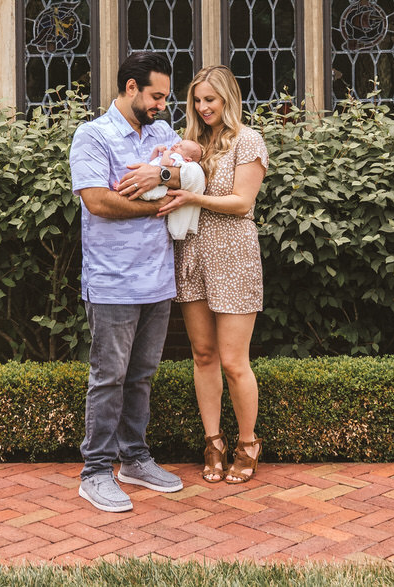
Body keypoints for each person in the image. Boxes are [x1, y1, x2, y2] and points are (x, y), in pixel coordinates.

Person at [67, 51, 186, 513]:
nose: (162, 105)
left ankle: (134, 459)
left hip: (158, 279)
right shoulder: (93, 136)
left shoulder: (160, 134)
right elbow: (98, 201)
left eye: (166, 97)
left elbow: (190, 174)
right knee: (109, 378)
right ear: (131, 87)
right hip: (113, 281)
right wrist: (158, 202)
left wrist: (158, 173)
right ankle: (95, 471)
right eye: (156, 95)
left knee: (141, 376)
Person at [157, 65, 270, 485]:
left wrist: (192, 196)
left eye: (211, 100)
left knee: (234, 361)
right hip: (193, 253)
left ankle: (247, 442)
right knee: (202, 355)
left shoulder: (249, 140)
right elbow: (165, 179)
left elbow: (242, 202)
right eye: (198, 100)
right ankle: (213, 442)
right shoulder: (189, 145)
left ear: (228, 99)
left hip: (234, 256)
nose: (204, 108)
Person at [139, 139, 206, 241]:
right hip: (146, 177)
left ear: (187, 159)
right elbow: (153, 161)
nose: (176, 145)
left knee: (147, 192)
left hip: (157, 185)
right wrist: (157, 151)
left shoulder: (178, 159)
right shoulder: (174, 154)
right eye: (178, 143)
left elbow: (165, 166)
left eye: (180, 147)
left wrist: (166, 154)